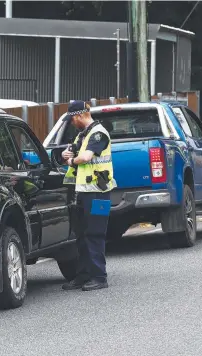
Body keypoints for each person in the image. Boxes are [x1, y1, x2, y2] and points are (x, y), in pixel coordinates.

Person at [60, 100, 117, 292]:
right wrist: (67, 154)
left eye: (72, 119)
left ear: (79, 115)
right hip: (82, 192)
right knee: (82, 235)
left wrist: (71, 161)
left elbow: (84, 158)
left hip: (98, 193)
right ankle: (83, 275)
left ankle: (99, 277)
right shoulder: (82, 135)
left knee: (95, 234)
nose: (72, 123)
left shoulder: (98, 133)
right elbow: (72, 153)